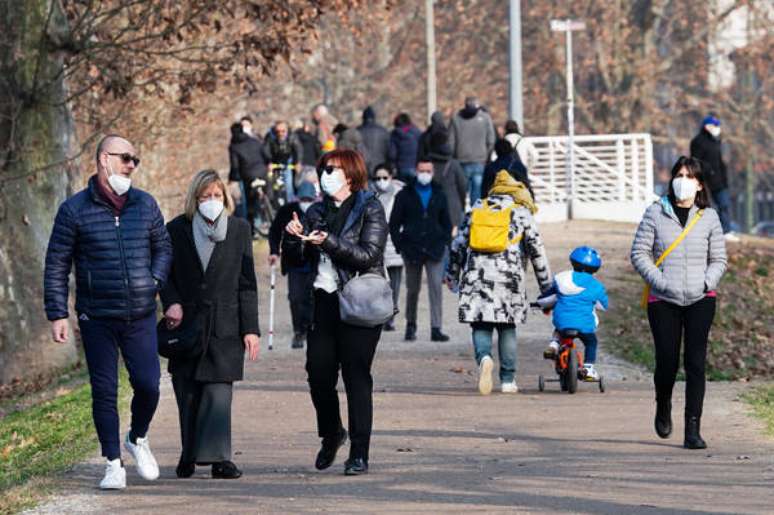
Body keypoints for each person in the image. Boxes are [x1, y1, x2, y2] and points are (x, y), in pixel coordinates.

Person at [44, 135, 172, 490]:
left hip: (141, 312)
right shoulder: (74, 210)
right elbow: (56, 263)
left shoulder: (145, 205)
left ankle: (138, 437)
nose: (131, 165)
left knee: (148, 384)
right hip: (96, 315)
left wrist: (154, 280)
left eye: (135, 160)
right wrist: (57, 313)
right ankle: (113, 463)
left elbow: (163, 246)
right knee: (104, 390)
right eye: (125, 158)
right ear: (104, 159)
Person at [283, 149, 388, 476]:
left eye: (333, 169)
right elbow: (297, 263)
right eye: (324, 169)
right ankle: (332, 433)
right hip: (323, 301)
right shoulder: (315, 210)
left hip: (358, 300)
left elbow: (368, 254)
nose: (326, 174)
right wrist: (293, 241)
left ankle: (359, 452)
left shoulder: (370, 207)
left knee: (356, 376)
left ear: (351, 175)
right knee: (318, 373)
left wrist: (328, 242)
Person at [161, 170, 260, 479]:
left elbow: (247, 284)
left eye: (217, 196)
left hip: (225, 325)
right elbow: (163, 274)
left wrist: (251, 329)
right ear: (195, 199)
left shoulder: (240, 230)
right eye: (205, 197)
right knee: (187, 393)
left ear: (226, 198)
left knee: (218, 394)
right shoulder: (175, 229)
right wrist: (171, 302)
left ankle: (220, 459)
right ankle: (188, 454)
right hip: (186, 323)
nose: (212, 201)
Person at [630, 156, 727, 449]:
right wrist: (660, 282)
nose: (682, 180)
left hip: (701, 299)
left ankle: (692, 429)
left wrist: (707, 283)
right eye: (679, 174)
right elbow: (639, 253)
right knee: (667, 361)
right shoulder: (655, 213)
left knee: (696, 363)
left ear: (699, 184)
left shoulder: (708, 217)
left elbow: (719, 259)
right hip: (663, 299)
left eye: (689, 175)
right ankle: (663, 403)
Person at [446, 170, 552, 395]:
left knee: (481, 324)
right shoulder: (522, 213)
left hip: (477, 277)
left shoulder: (476, 210)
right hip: (509, 278)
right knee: (507, 328)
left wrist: (452, 275)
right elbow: (537, 253)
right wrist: (546, 289)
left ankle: (484, 358)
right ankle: (507, 380)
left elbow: (457, 246)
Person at [389, 158, 452, 342]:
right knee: (412, 289)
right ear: (416, 171)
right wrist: (399, 244)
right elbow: (394, 223)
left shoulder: (440, 193)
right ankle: (410, 325)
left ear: (432, 172)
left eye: (428, 171)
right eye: (422, 170)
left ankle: (436, 327)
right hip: (412, 249)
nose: (425, 174)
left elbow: (446, 222)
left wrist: (444, 241)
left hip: (435, 248)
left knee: (435, 289)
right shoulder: (404, 195)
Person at [541, 247, 609, 381]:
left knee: (560, 329)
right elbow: (603, 306)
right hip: (585, 324)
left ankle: (554, 345)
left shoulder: (561, 278)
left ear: (573, 262)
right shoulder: (597, 286)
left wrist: (539, 304)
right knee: (591, 342)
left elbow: (546, 299)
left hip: (563, 322)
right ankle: (588, 368)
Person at [268, 181, 319, 348]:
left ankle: (310, 328)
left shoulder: (320, 210)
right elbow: (274, 231)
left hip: (314, 262)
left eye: (309, 199)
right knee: (296, 297)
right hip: (294, 263)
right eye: (303, 199)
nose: (306, 202)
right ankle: (298, 330)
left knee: (311, 296)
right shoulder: (287, 211)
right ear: (297, 198)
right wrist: (274, 251)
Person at [690, 115, 737, 241]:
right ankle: (701, 231)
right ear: (707, 126)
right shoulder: (698, 141)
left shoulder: (715, 141)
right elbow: (696, 160)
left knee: (724, 205)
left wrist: (724, 177)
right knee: (703, 206)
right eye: (715, 126)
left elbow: (719, 161)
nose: (718, 128)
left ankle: (726, 231)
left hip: (719, 180)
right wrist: (707, 171)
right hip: (704, 180)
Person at [373, 164, 405, 331]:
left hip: (395, 246)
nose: (381, 181)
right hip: (377, 246)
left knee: (395, 284)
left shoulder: (400, 195)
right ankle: (380, 316)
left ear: (391, 177)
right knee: (379, 284)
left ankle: (390, 317)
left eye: (385, 177)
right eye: (378, 178)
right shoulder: (371, 196)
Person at [448, 96, 496, 205]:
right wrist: (487, 156)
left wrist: (453, 158)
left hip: (462, 161)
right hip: (479, 160)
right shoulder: (485, 118)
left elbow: (451, 142)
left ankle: (460, 217)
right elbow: (491, 140)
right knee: (477, 193)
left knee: (461, 193)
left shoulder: (456, 118)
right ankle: (475, 216)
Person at [228, 122, 269, 236]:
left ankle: (252, 231)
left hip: (248, 176)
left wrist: (233, 178)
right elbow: (266, 155)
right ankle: (269, 216)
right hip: (262, 172)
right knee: (268, 196)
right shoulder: (255, 141)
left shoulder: (234, 146)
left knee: (250, 204)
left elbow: (235, 166)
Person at [427, 129, 467, 236]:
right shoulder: (453, 164)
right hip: (452, 209)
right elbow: (462, 185)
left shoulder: (427, 165)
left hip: (431, 208)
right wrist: (462, 203)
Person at [265, 120, 302, 201]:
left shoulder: (292, 136)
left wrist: (298, 162)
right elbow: (266, 150)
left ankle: (290, 203)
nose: (280, 134)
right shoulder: (270, 137)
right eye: (278, 131)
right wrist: (269, 162)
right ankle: (274, 202)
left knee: (289, 183)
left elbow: (298, 149)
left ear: (287, 130)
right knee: (272, 182)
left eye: (283, 131)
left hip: (288, 159)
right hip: (275, 159)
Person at [357, 106, 391, 177]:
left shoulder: (357, 131)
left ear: (363, 117)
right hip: (380, 165)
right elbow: (389, 150)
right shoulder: (383, 131)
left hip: (363, 165)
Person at [388, 113, 422, 182]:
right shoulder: (417, 132)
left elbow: (392, 154)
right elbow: (421, 150)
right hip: (415, 166)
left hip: (401, 167)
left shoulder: (395, 134)